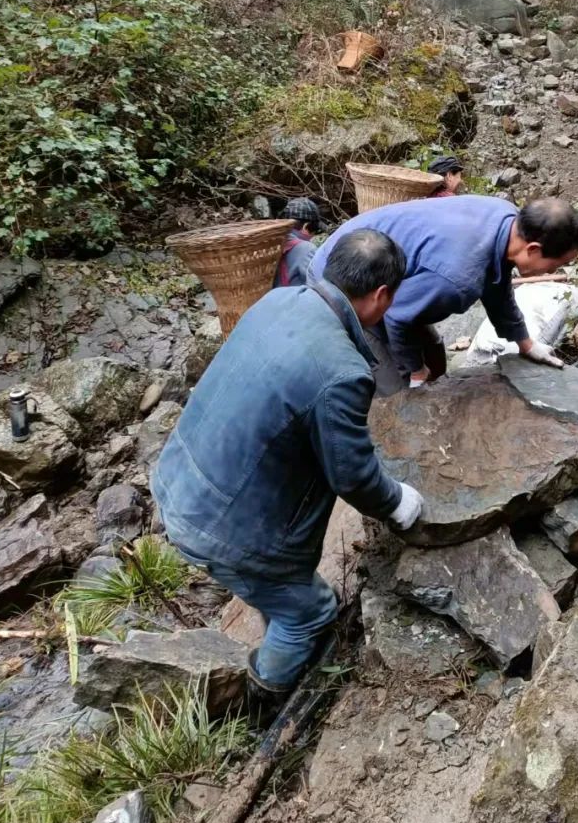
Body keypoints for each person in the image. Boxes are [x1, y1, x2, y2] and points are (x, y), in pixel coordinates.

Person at [151, 229, 424, 709]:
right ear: (381, 295)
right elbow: (354, 476)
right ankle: (261, 702)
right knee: (310, 613)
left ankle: (266, 607)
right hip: (222, 527)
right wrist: (397, 501)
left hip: (179, 478)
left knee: (276, 594)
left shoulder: (278, 301)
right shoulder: (341, 371)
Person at [309, 195, 578, 392]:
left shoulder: (507, 219)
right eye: (557, 265)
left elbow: (497, 288)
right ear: (533, 249)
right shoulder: (458, 278)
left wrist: (525, 343)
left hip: (390, 275)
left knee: (434, 354)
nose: (555, 271)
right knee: (396, 387)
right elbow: (397, 318)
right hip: (346, 278)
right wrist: (415, 372)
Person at [274, 197, 322, 287]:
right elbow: (321, 283)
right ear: (306, 226)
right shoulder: (306, 249)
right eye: (315, 229)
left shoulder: (275, 242)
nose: (313, 235)